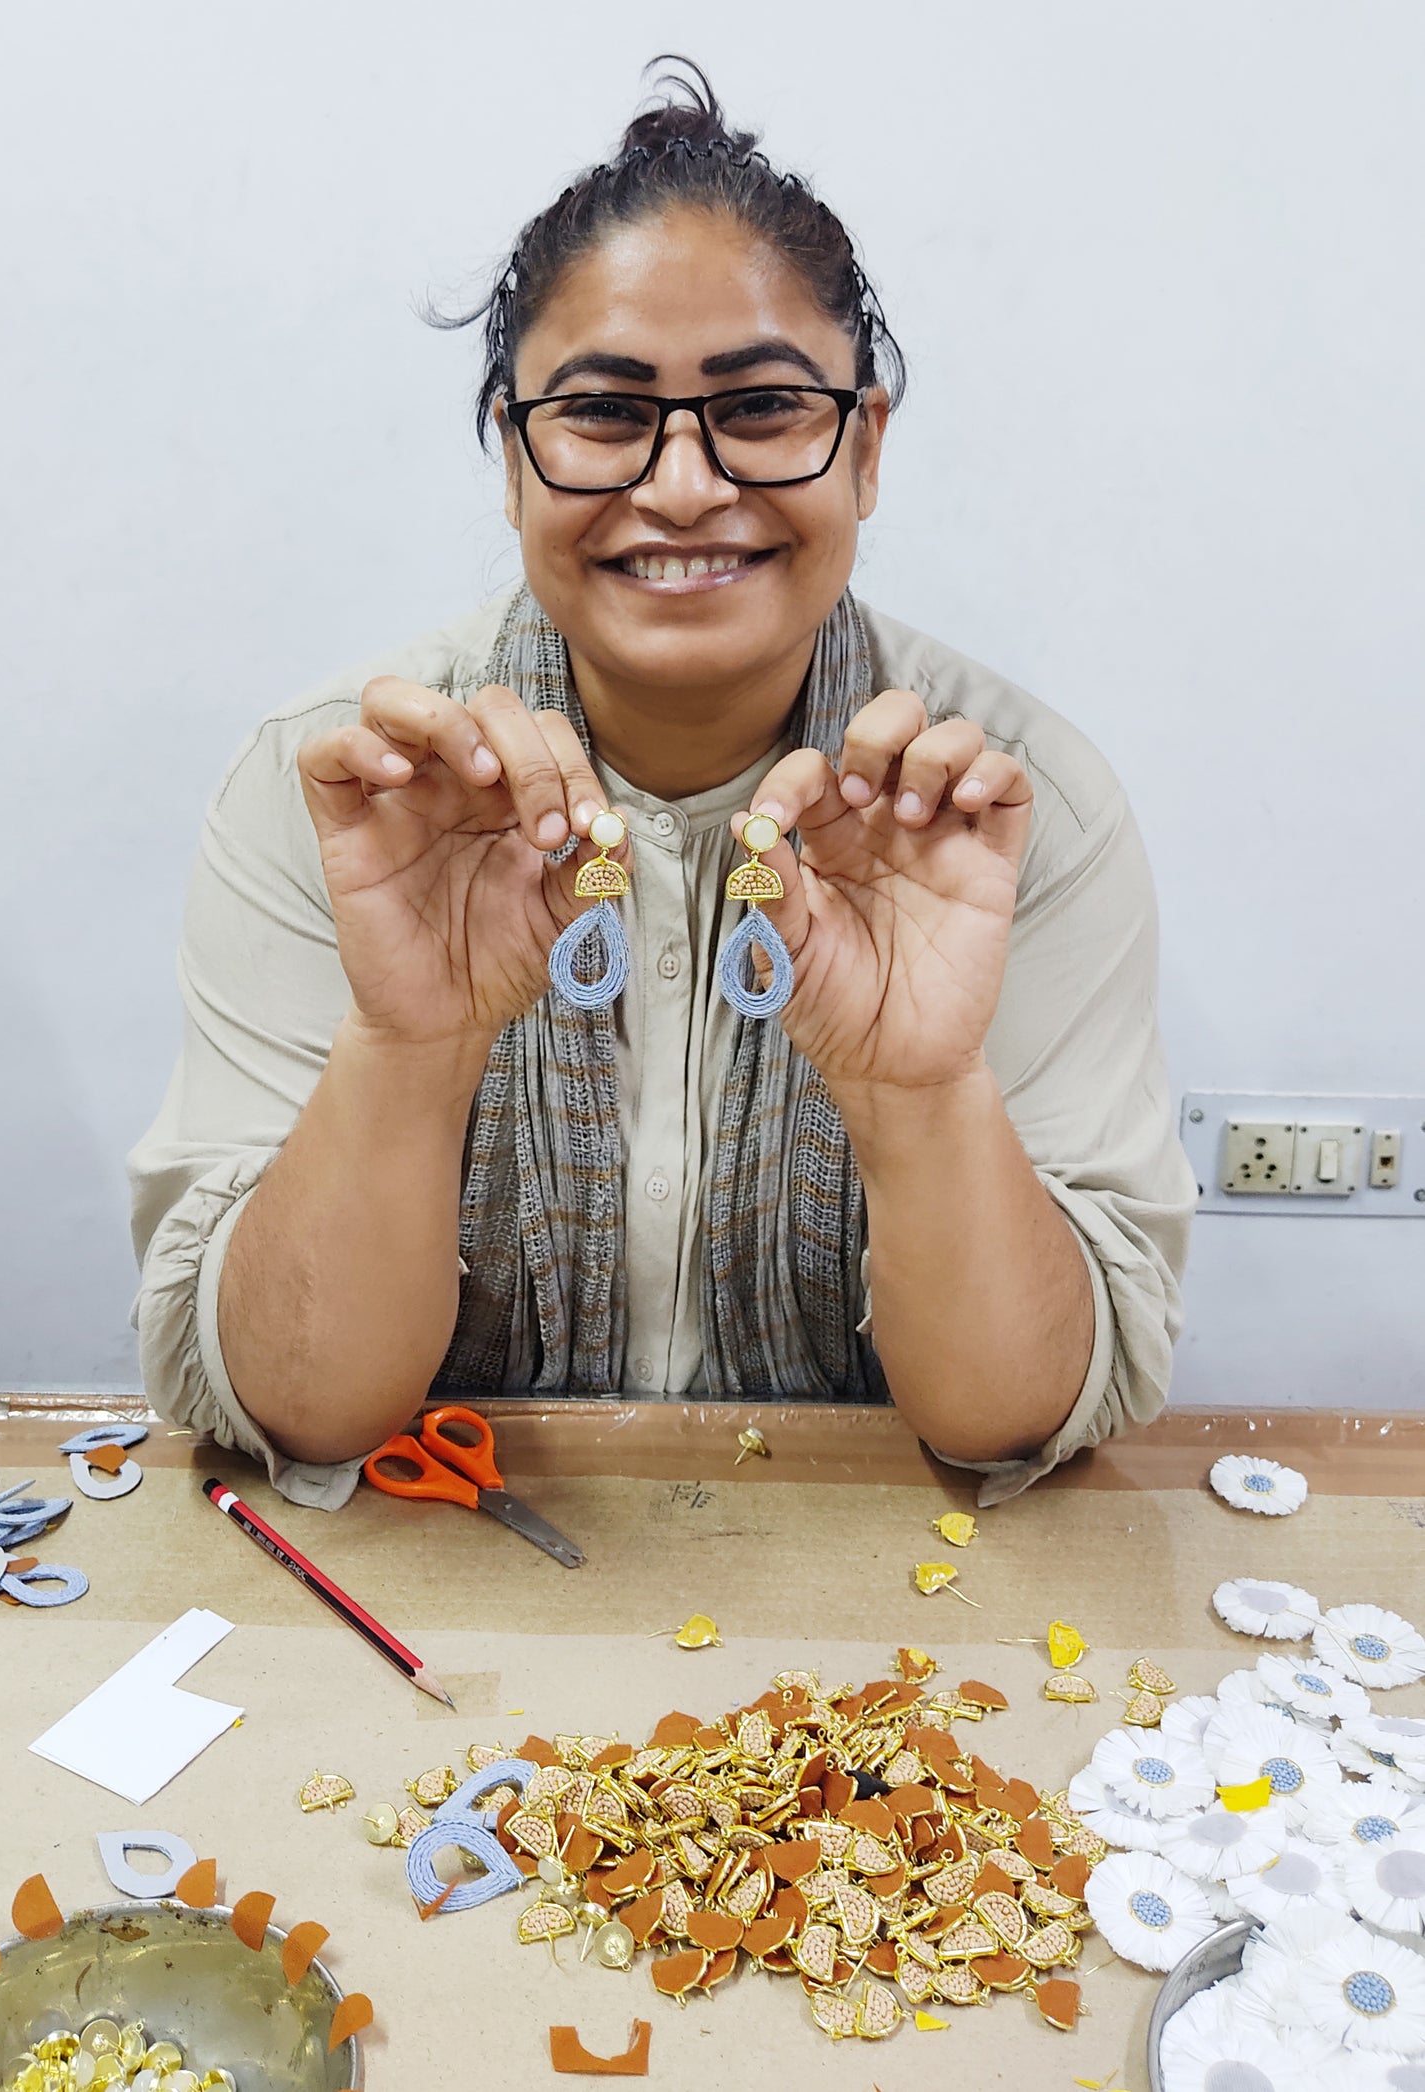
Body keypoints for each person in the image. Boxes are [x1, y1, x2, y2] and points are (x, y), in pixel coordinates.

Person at [127, 61, 1196, 1512]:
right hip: (450, 1591)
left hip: (892, 1615)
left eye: (760, 407)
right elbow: (296, 1408)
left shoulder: (1003, 811)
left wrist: (917, 1087)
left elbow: (1011, 1424)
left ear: (863, 448)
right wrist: (411, 1042)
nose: (684, 485)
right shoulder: (344, 797)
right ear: (514, 457)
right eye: (605, 414)